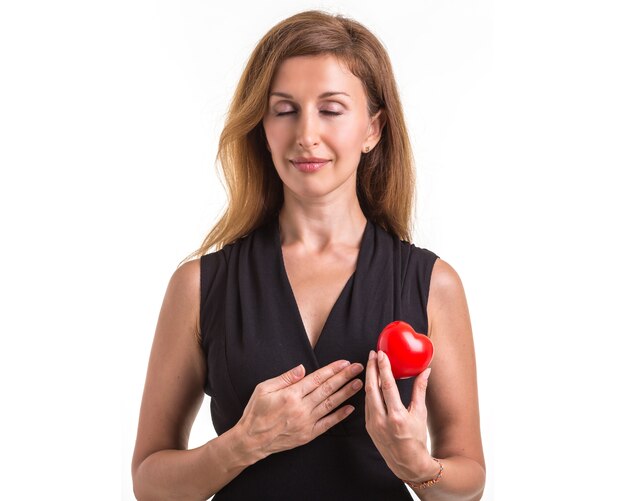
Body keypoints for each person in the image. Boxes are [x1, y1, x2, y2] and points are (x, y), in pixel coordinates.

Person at [131, 9, 485, 501]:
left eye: (331, 109)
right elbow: (149, 483)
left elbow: (470, 483)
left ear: (372, 129)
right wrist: (242, 444)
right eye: (284, 109)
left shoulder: (432, 283)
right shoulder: (198, 286)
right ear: (263, 127)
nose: (306, 134)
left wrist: (416, 464)